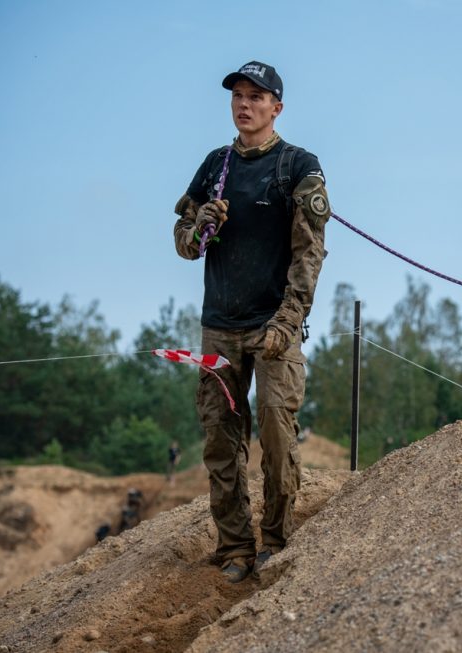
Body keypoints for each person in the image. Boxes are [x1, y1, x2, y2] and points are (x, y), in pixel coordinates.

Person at [172, 61, 330, 583]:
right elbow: (183, 244)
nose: (244, 105)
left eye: (256, 98)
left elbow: (309, 255)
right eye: (238, 96)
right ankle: (235, 548)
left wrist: (287, 321)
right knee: (221, 439)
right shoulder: (215, 165)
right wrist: (199, 226)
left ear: (276, 107)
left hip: (273, 326)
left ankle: (278, 541)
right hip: (219, 326)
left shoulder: (298, 166)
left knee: (277, 434)